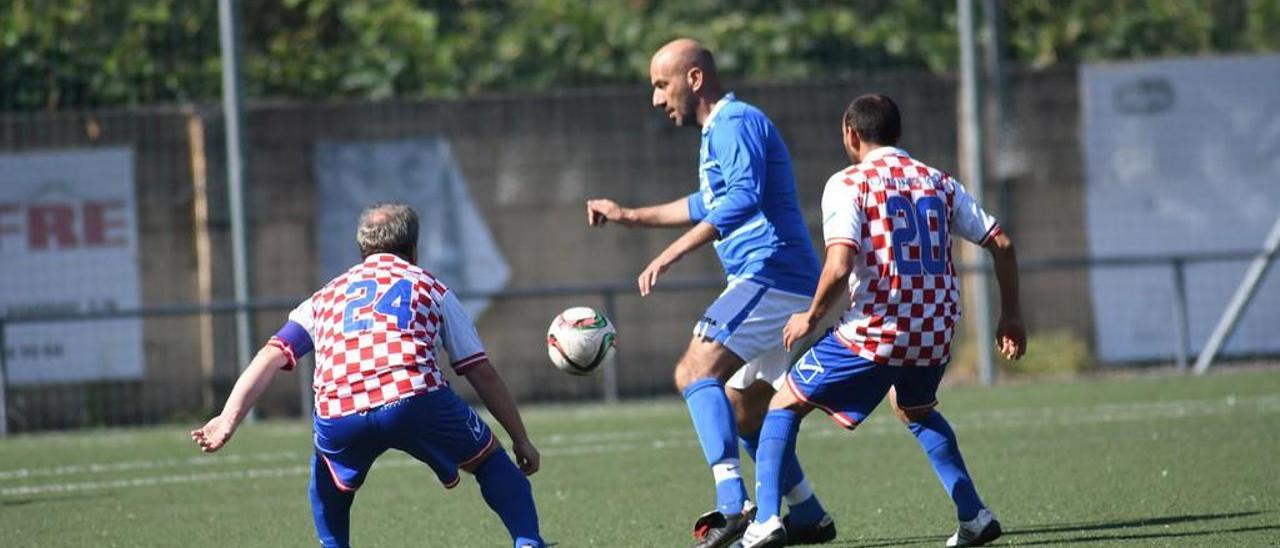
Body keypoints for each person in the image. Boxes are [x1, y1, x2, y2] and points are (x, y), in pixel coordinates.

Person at [742, 94, 1026, 548]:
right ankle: (974, 516)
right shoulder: (939, 181)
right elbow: (1003, 244)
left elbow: (838, 266)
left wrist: (810, 319)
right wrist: (1010, 315)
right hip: (936, 330)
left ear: (850, 135)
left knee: (782, 406)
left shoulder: (847, 183)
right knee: (913, 408)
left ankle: (767, 521)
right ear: (897, 134)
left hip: (876, 330)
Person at [586, 38, 834, 548]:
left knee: (694, 370)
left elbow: (743, 198)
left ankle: (732, 505)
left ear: (693, 79)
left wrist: (669, 254)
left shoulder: (735, 121)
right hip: (775, 280)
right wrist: (630, 216)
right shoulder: (719, 131)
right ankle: (807, 512)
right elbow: (705, 202)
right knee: (746, 412)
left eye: (661, 84)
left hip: (772, 275)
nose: (656, 99)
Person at [191, 203, 545, 548]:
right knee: (487, 459)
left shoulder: (324, 296)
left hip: (339, 408)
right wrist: (520, 438)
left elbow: (272, 354)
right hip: (414, 396)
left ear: (362, 248)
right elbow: (479, 370)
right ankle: (528, 541)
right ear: (414, 249)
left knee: (326, 477)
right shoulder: (431, 288)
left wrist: (228, 417)